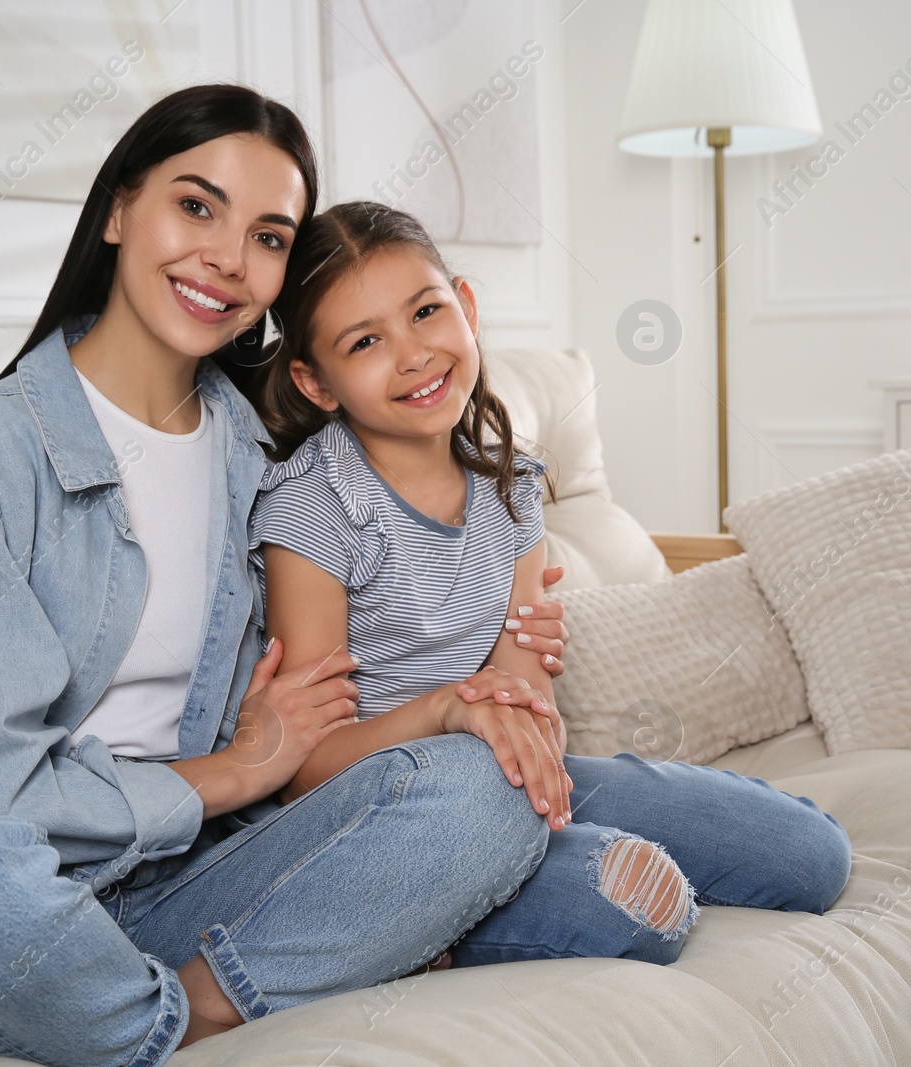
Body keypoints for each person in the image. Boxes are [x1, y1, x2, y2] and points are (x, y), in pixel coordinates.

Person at [0, 86, 575, 1067]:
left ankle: (172, 1009)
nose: (225, 257)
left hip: (198, 884)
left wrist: (509, 650)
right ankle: (203, 1013)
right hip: (10, 897)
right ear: (121, 209)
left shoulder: (269, 456)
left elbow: (418, 563)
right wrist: (236, 768)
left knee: (483, 784)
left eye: (266, 235)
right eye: (196, 206)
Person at [248, 200, 856, 968]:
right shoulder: (315, 506)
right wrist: (450, 712)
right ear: (317, 381)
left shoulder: (512, 489)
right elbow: (304, 768)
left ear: (465, 307)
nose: (412, 354)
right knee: (641, 906)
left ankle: (468, 897)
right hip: (388, 814)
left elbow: (537, 718)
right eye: (365, 341)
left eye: (426, 312)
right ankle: (408, 916)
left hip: (514, 779)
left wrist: (515, 713)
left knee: (812, 856)